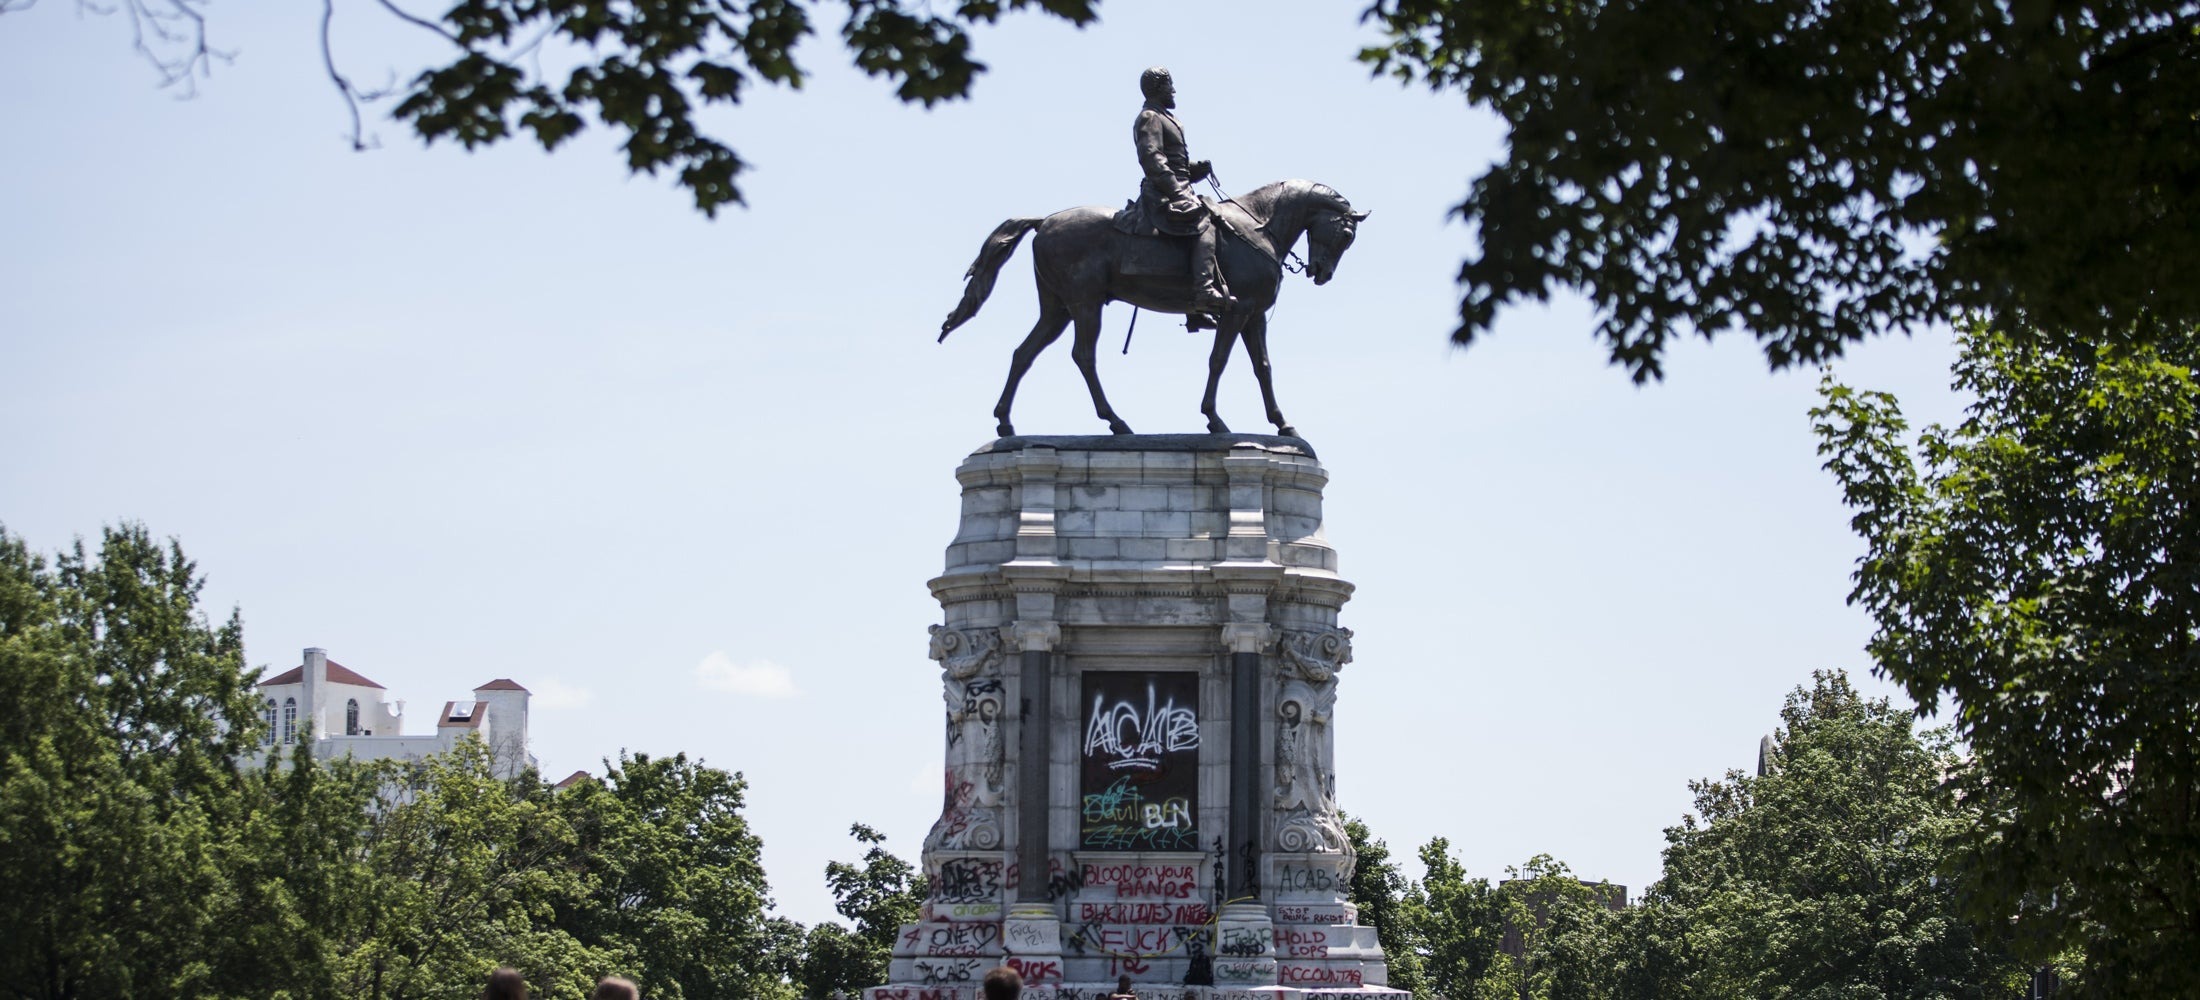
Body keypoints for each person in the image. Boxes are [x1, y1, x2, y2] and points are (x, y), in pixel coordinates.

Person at [1130, 66, 1234, 321]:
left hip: (1177, 188)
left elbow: (1177, 166)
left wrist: (1197, 170)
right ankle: (1203, 292)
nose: (1174, 90)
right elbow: (1152, 159)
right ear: (1157, 88)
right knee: (1205, 223)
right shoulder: (1150, 117)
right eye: (1169, 85)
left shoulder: (1166, 117)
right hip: (1162, 193)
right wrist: (1177, 191)